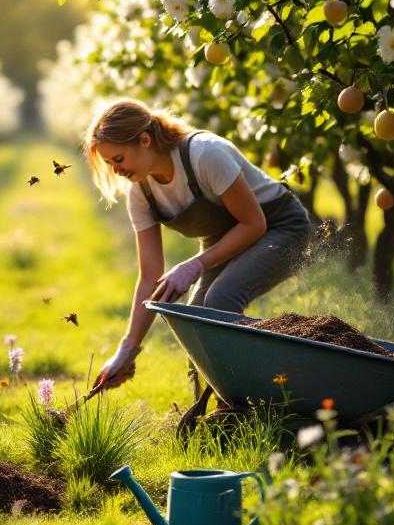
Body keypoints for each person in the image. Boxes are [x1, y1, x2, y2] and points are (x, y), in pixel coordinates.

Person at [85, 99, 312, 407]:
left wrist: (193, 266)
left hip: (280, 228)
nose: (117, 170)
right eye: (111, 164)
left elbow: (254, 223)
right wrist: (127, 350)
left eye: (120, 158)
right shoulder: (141, 194)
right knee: (192, 320)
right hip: (226, 240)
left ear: (145, 140)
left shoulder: (205, 154)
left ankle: (238, 408)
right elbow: (150, 276)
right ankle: (204, 409)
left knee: (220, 300)